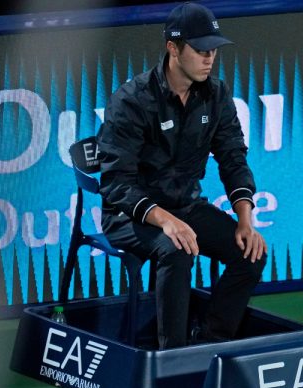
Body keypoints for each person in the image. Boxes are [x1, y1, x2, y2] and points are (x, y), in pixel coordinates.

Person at [97, 1, 267, 350]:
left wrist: (245, 220)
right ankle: (171, 357)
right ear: (172, 48)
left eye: (213, 50)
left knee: (251, 253)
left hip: (185, 207)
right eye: (200, 49)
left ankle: (209, 343)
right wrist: (164, 221)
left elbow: (233, 157)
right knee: (176, 250)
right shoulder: (131, 101)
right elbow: (116, 184)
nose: (209, 58)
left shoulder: (217, 95)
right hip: (130, 215)